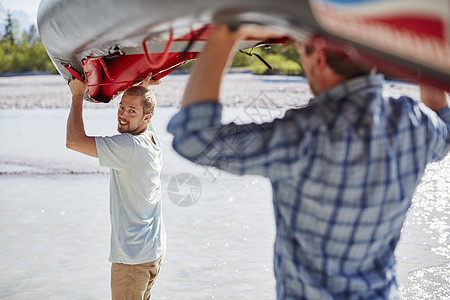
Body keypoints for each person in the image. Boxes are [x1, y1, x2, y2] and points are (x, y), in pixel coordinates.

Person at [167, 25, 450, 299]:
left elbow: (195, 138)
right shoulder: (416, 123)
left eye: (302, 54)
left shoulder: (304, 134)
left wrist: (226, 33)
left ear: (319, 57)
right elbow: (445, 128)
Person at [66, 73, 166, 300]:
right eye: (121, 107)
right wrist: (144, 86)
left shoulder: (128, 147)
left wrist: (77, 96)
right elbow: (141, 108)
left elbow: (74, 141)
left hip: (133, 259)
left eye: (131, 112)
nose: (122, 115)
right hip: (153, 252)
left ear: (146, 117)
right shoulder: (151, 138)